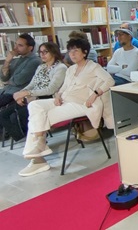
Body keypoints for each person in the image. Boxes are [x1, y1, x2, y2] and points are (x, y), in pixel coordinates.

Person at [18, 38, 115, 177]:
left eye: (76, 50)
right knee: (34, 105)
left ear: (84, 52)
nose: (72, 54)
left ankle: (37, 159)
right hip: (64, 100)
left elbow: (109, 80)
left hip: (80, 104)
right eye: (70, 51)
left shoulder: (93, 67)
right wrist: (57, 95)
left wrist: (94, 94)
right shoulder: (71, 69)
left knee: (45, 116)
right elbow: (63, 88)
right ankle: (39, 148)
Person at [0, 42, 66, 142]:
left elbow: (51, 89)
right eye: (40, 52)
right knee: (3, 114)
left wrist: (27, 94)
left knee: (23, 111)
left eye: (45, 52)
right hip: (34, 96)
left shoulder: (60, 68)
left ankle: (37, 137)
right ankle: (22, 137)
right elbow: (32, 84)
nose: (42, 54)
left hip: (49, 97)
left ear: (53, 52)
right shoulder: (41, 67)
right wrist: (21, 94)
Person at [0, 33, 41, 110]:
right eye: (16, 44)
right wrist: (7, 61)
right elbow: (3, 78)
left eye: (20, 45)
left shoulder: (35, 61)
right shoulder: (17, 59)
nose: (15, 47)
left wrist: (8, 81)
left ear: (30, 48)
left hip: (15, 94)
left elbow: (18, 80)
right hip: (5, 91)